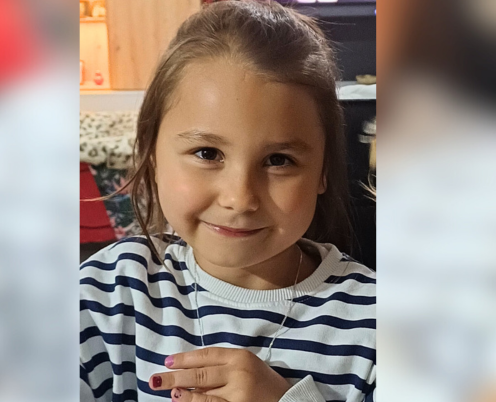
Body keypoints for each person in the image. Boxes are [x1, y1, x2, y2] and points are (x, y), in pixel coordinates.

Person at [80, 1, 376, 401]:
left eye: (278, 160)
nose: (240, 198)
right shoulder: (109, 293)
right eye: (207, 153)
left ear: (323, 171)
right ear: (152, 157)